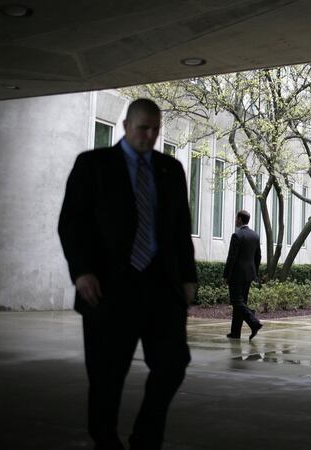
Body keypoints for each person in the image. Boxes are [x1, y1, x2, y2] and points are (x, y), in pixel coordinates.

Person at [58, 98, 197, 450]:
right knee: (106, 379)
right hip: (107, 290)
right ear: (125, 126)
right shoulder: (93, 165)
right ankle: (105, 440)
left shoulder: (171, 170)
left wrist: (188, 277)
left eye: (156, 129)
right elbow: (71, 223)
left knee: (173, 364)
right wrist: (82, 272)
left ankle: (145, 439)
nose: (150, 136)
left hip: (160, 289)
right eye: (143, 128)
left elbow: (181, 228)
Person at [223, 210, 263, 341]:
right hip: (249, 275)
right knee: (241, 302)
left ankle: (254, 322)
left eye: (236, 218)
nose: (235, 220)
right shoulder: (255, 236)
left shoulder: (237, 235)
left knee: (236, 301)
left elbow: (231, 258)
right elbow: (258, 257)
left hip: (236, 275)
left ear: (240, 219)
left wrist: (226, 275)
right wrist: (255, 274)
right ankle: (235, 332)